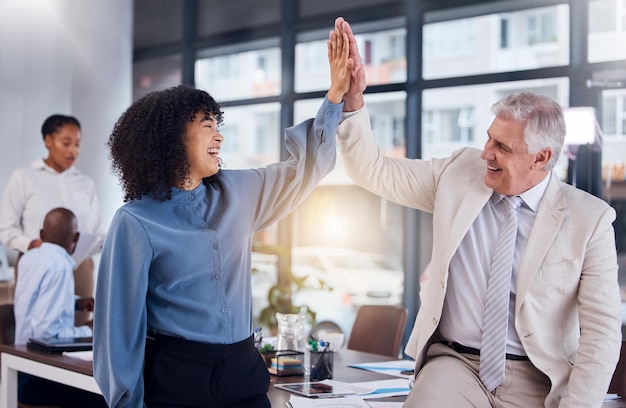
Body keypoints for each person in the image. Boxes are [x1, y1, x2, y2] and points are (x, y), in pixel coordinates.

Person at [333, 16, 621, 408]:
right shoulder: (459, 173)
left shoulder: (590, 219)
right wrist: (353, 102)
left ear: (542, 157)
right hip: (457, 365)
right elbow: (375, 171)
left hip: (538, 378)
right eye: (488, 137)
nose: (486, 152)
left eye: (502, 147)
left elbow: (602, 332)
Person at [93, 23, 353, 408]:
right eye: (207, 126)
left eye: (219, 126)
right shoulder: (135, 222)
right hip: (179, 375)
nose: (220, 137)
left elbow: (306, 169)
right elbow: (119, 330)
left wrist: (334, 97)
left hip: (243, 369)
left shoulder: (241, 192)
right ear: (173, 138)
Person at [0, 114, 106, 324]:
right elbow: (5, 228)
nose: (73, 151)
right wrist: (32, 244)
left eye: (77, 144)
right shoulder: (24, 177)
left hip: (80, 267)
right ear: (48, 140)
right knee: (38, 328)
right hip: (38, 262)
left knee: (80, 328)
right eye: (66, 143)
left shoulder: (85, 183)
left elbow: (98, 229)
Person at [13, 207, 107, 407]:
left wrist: (76, 303)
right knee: (107, 396)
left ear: (41, 234)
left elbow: (36, 301)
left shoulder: (29, 259)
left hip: (23, 370)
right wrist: (89, 329)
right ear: (77, 237)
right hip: (40, 378)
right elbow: (46, 334)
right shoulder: (60, 265)